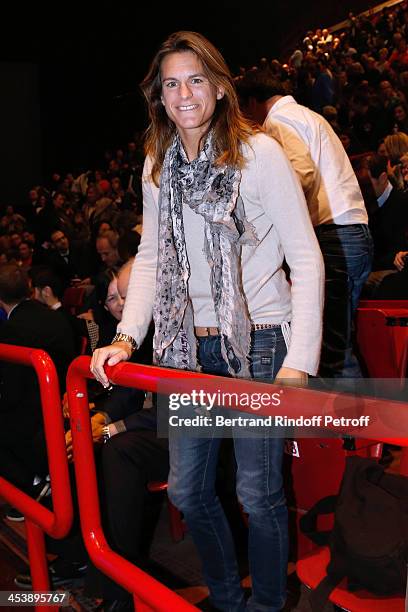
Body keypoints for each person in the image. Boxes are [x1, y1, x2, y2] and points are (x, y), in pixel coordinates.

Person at [91, 31, 324, 612]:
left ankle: (267, 604)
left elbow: (306, 257)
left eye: (196, 79)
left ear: (220, 87)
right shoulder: (156, 165)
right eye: (171, 83)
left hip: (263, 344)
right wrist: (125, 337)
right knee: (191, 492)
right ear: (159, 97)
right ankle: (226, 598)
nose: (184, 93)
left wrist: (300, 364)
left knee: (258, 493)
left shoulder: (260, 153)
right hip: (186, 354)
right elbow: (149, 259)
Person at [237, 71, 373, 378]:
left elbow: (302, 172)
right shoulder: (305, 115)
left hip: (334, 234)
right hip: (350, 231)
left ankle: (351, 425)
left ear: (253, 102)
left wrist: (270, 208)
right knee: (340, 344)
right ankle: (353, 423)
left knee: (333, 351)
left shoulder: (278, 122)